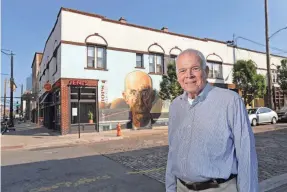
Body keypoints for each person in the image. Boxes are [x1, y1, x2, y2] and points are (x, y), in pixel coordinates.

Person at [165, 49, 258, 192]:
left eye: (194, 69)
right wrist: (170, 188)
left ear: (206, 71)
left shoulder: (230, 101)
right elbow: (173, 152)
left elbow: (246, 155)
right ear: (177, 75)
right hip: (181, 188)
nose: (188, 75)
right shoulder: (175, 106)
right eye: (182, 70)